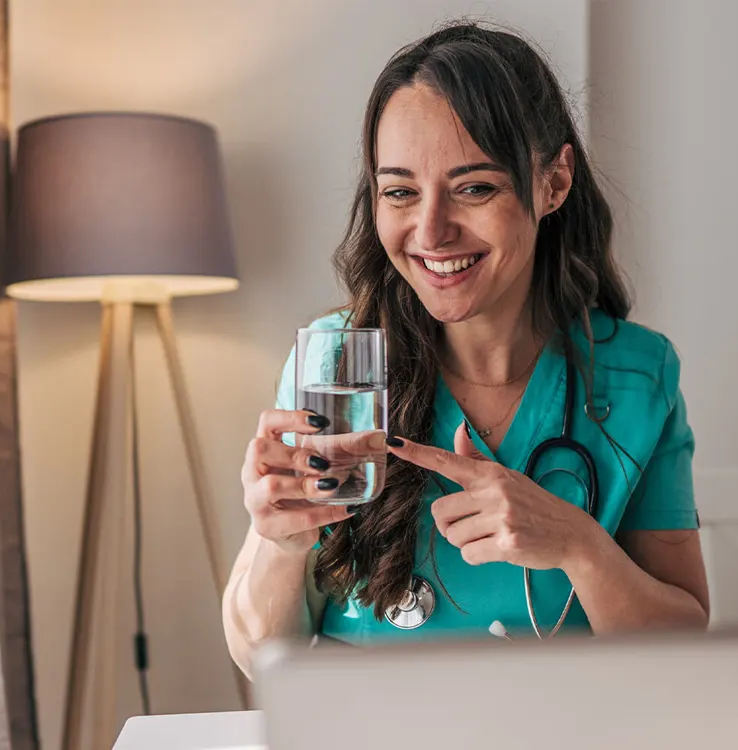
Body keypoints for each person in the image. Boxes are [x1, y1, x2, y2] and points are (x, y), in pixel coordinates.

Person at [222, 21, 709, 675]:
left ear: (553, 182)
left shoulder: (637, 375)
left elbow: (684, 641)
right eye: (399, 192)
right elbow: (259, 657)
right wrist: (277, 541)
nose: (431, 231)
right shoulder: (336, 366)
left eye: (474, 187)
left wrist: (579, 546)